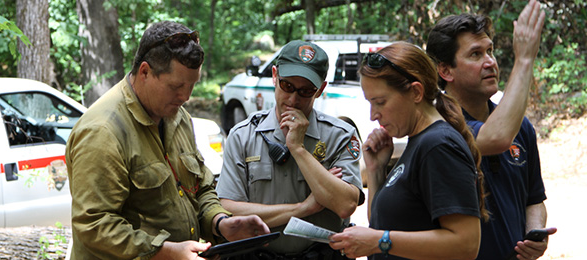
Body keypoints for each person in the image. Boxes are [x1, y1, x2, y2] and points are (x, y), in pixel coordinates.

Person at [65, 21, 269, 260]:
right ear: (145, 72)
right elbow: (95, 225)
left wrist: (219, 222)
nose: (185, 97)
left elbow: (200, 187)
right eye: (176, 86)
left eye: (192, 85)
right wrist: (166, 251)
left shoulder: (177, 116)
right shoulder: (102, 131)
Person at [328, 41, 489, 260]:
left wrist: (379, 241)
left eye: (380, 102)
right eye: (370, 103)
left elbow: (466, 244)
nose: (372, 115)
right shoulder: (419, 141)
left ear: (415, 92)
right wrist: (376, 170)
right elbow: (380, 224)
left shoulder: (438, 146)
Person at [425, 1, 558, 259]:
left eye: (491, 51)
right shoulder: (439, 126)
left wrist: (535, 234)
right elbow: (495, 137)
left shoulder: (522, 127)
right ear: (445, 70)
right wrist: (525, 58)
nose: (490, 62)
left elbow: (534, 198)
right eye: (475, 54)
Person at [216, 40, 365, 259]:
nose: (293, 99)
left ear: (320, 90)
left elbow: (345, 205)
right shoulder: (244, 135)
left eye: (305, 91)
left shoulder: (339, 136)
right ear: (275, 76)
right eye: (287, 86)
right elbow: (229, 211)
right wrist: (303, 208)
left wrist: (298, 149)